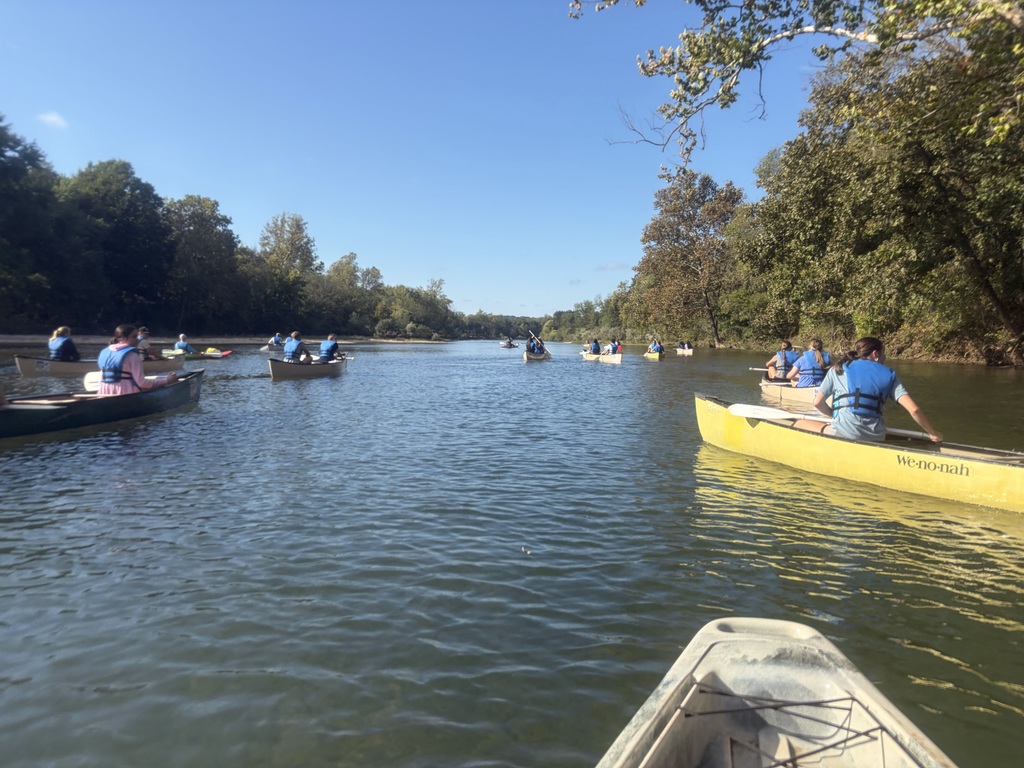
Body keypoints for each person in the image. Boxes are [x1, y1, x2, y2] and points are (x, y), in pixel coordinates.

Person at [792, 337, 942, 443]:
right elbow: (914, 410)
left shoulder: (838, 369)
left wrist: (834, 416)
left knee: (799, 423)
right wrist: (933, 433)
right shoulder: (889, 374)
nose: (885, 357)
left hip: (843, 432)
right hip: (876, 437)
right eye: (884, 353)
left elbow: (817, 403)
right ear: (875, 354)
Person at [96, 324, 177, 396]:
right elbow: (142, 383)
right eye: (134, 336)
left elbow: (101, 378)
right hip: (126, 394)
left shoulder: (105, 352)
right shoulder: (133, 356)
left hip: (103, 393)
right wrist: (166, 380)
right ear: (123, 338)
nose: (137, 339)